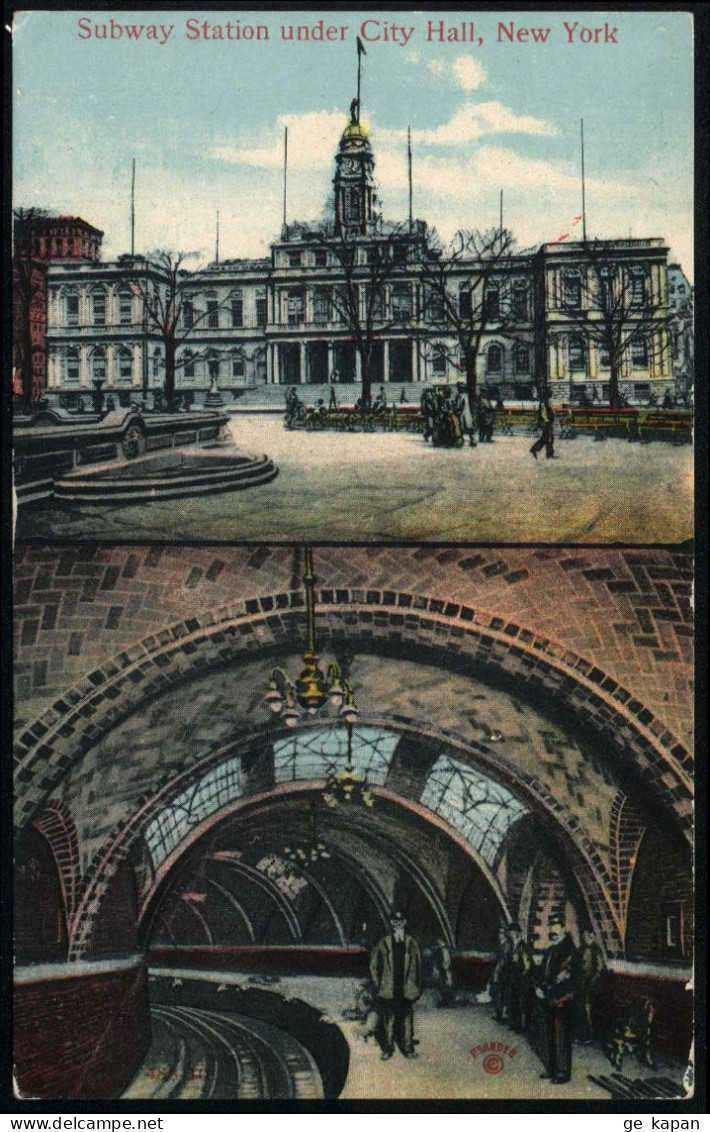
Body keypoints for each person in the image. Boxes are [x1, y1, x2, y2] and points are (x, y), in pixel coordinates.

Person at [370, 911, 423, 1060]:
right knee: (389, 1018)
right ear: (392, 923)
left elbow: (419, 966)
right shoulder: (384, 942)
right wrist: (378, 984)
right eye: (394, 921)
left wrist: (417, 987)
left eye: (400, 921)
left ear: (404, 923)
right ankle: (388, 1048)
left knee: (406, 1018)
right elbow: (373, 965)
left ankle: (408, 1047)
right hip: (389, 988)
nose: (397, 923)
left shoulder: (411, 942)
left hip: (406, 987)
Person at [535, 913, 577, 1084]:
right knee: (549, 1034)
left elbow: (564, 975)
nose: (553, 929)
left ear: (563, 928)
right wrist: (538, 986)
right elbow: (543, 970)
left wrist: (547, 988)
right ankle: (552, 1069)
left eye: (556, 926)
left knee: (561, 1036)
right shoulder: (552, 947)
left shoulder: (568, 948)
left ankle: (563, 1072)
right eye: (551, 927)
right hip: (549, 997)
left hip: (562, 998)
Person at [575, 928, 607, 1044]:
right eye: (584, 936)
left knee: (587, 1007)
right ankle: (581, 1034)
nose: (585, 938)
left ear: (592, 936)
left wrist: (590, 984)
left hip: (592, 986)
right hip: (581, 985)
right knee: (578, 1006)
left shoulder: (596, 950)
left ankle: (589, 1034)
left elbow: (600, 970)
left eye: (587, 935)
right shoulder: (581, 949)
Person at [504, 922, 534, 1033]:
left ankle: (523, 1026)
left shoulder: (522, 946)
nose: (511, 934)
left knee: (522, 1004)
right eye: (510, 932)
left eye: (513, 932)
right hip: (514, 978)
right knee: (513, 1001)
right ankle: (515, 1024)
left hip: (521, 979)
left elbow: (528, 965)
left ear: (517, 933)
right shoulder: (512, 946)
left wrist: (523, 975)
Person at [489, 925, 511, 1025]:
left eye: (501, 933)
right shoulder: (502, 945)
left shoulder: (506, 945)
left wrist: (497, 972)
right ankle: (499, 1013)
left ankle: (502, 1015)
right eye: (499, 933)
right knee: (498, 993)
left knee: (501, 994)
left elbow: (503, 961)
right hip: (499, 972)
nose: (500, 935)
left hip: (502, 973)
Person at [432, 938, 455, 1008]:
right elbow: (437, 960)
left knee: (446, 985)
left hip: (446, 969)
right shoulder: (439, 949)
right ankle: (445, 1001)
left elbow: (447, 960)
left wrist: (446, 967)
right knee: (442, 986)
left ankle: (447, 1001)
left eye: (439, 941)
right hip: (442, 969)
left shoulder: (445, 949)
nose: (438, 942)